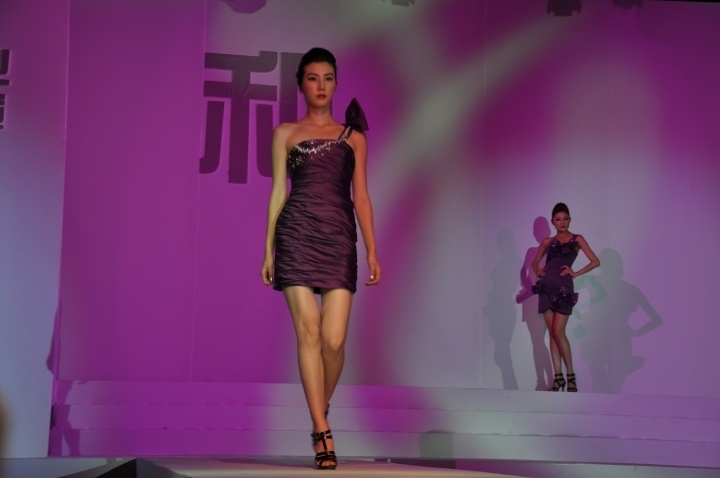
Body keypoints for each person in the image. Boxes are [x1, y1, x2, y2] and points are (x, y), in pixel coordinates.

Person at [260, 47, 381, 470]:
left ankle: (320, 407)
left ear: (336, 83)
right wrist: (267, 248)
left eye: (328, 78)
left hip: (338, 238)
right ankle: (321, 430)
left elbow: (361, 196)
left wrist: (372, 249)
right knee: (308, 332)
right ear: (301, 85)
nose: (321, 86)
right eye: (313, 78)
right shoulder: (285, 133)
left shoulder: (354, 137)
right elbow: (278, 192)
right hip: (296, 233)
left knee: (333, 341)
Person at [531, 203, 599, 392]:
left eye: (565, 218)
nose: (562, 222)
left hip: (563, 288)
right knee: (552, 333)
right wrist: (538, 271)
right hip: (546, 288)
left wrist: (575, 273)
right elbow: (534, 263)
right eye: (558, 219)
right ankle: (558, 378)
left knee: (558, 332)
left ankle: (571, 376)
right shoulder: (547, 241)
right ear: (553, 222)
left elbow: (595, 261)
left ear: (570, 220)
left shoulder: (577, 239)